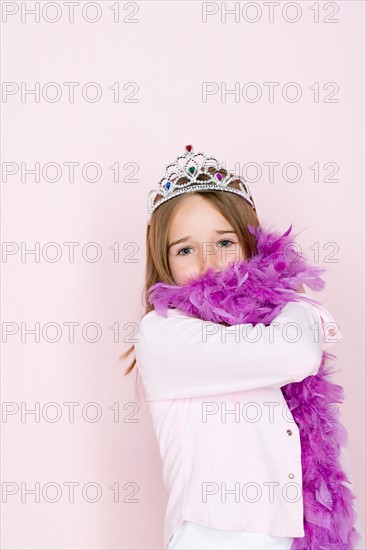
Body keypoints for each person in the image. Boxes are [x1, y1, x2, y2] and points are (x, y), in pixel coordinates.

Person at [121, 145, 363, 549]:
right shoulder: (162, 334)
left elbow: (329, 466)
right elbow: (295, 353)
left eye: (224, 242)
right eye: (185, 249)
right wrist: (299, 304)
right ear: (163, 262)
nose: (208, 260)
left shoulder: (271, 326)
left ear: (253, 246)